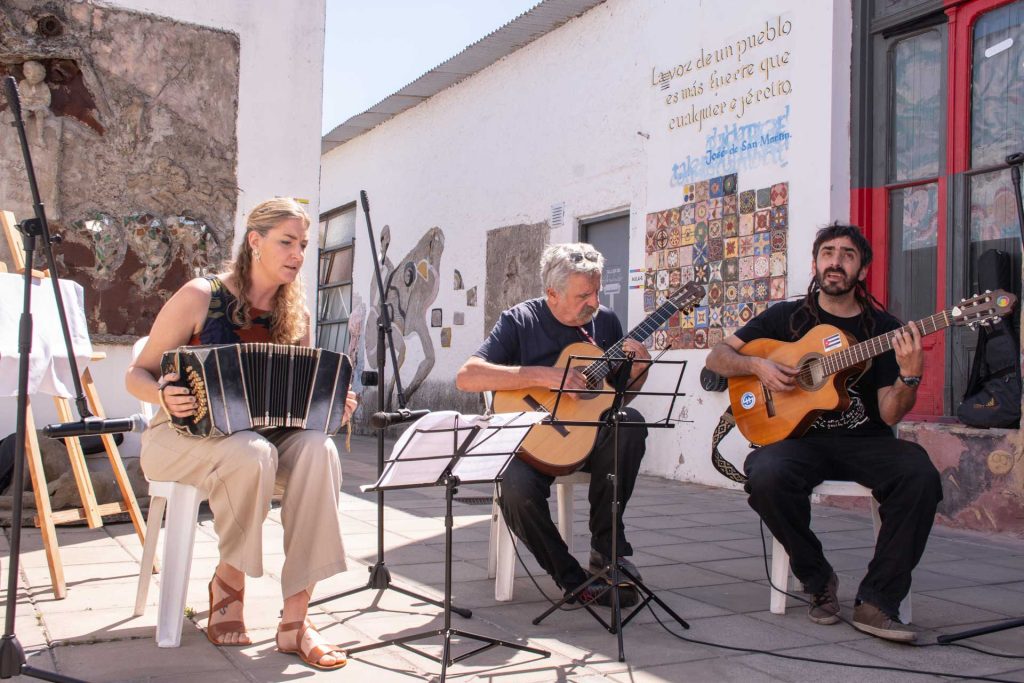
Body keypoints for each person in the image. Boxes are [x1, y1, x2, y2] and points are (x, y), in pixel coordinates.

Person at [126, 198, 357, 670]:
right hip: (180, 438)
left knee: (320, 449)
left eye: (303, 245)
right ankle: (228, 581)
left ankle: (297, 618)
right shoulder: (200, 296)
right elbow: (137, 374)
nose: (297, 254)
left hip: (262, 441)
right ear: (255, 241)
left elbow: (298, 404)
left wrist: (333, 404)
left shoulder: (296, 316)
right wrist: (164, 395)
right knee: (252, 453)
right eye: (286, 242)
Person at [705, 222, 942, 642]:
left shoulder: (883, 328)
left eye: (848, 255)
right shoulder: (785, 318)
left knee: (919, 475)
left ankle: (878, 600)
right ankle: (817, 577)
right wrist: (757, 365)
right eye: (828, 253)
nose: (836, 262)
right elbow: (718, 357)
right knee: (766, 475)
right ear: (815, 263)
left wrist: (909, 377)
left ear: (862, 269)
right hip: (799, 441)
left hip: (866, 441)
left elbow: (889, 413)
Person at [455, 243, 650, 605]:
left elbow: (615, 400)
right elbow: (468, 376)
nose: (594, 302)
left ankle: (606, 551)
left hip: (584, 440)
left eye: (596, 292)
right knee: (514, 488)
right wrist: (546, 376)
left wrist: (638, 372)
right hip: (530, 442)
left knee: (630, 425)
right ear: (552, 293)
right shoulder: (520, 320)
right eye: (583, 296)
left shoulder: (605, 322)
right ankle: (573, 580)